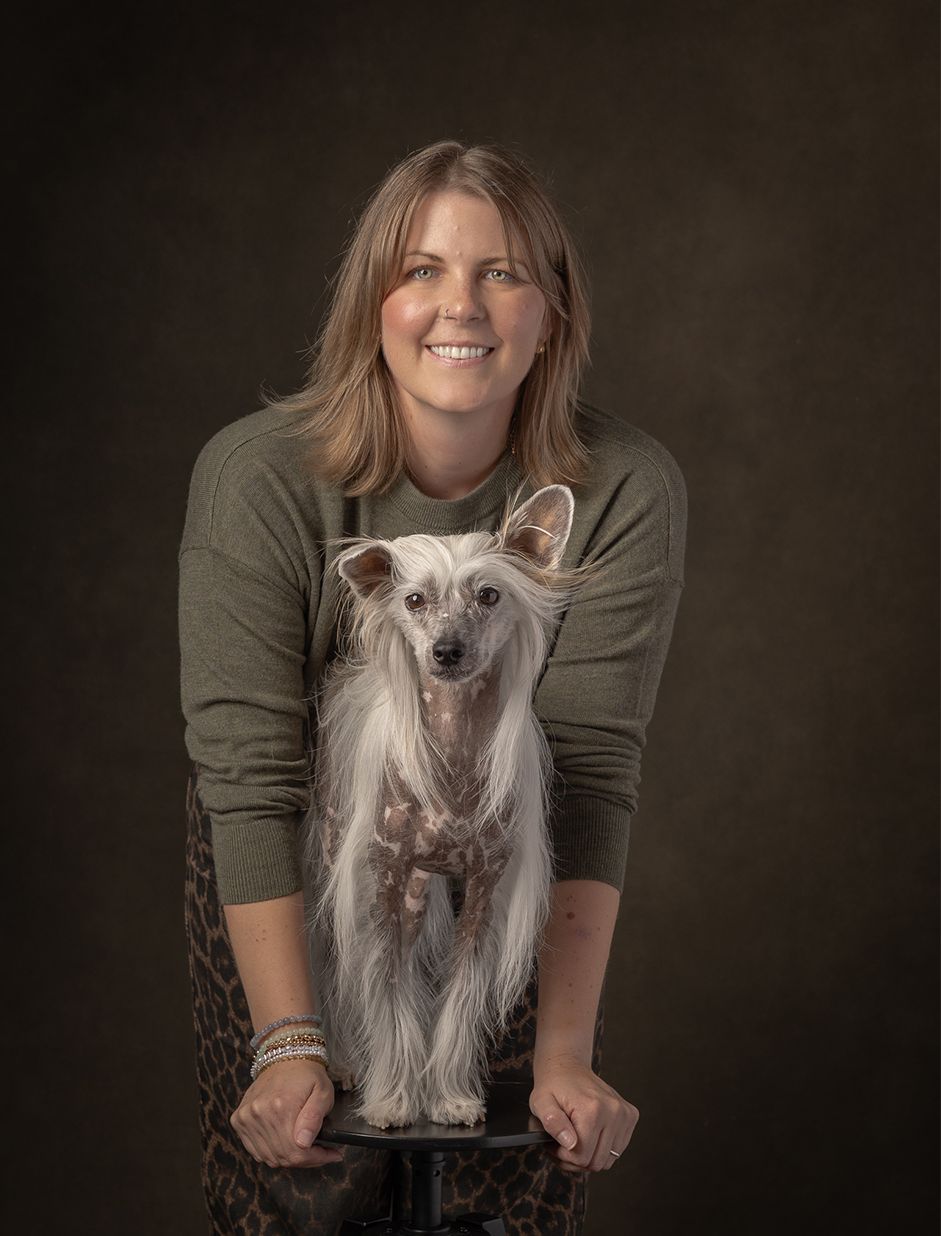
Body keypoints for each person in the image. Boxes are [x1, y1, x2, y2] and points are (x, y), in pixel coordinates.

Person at [180, 140, 686, 1235]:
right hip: (302, 843)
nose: (460, 305)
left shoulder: (622, 488)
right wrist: (289, 1044)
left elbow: (589, 769)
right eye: (420, 270)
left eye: (501, 272)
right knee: (303, 1180)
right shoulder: (256, 477)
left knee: (501, 1186)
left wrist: (561, 1053)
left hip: (513, 835)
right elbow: (249, 771)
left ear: (551, 311)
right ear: (373, 304)